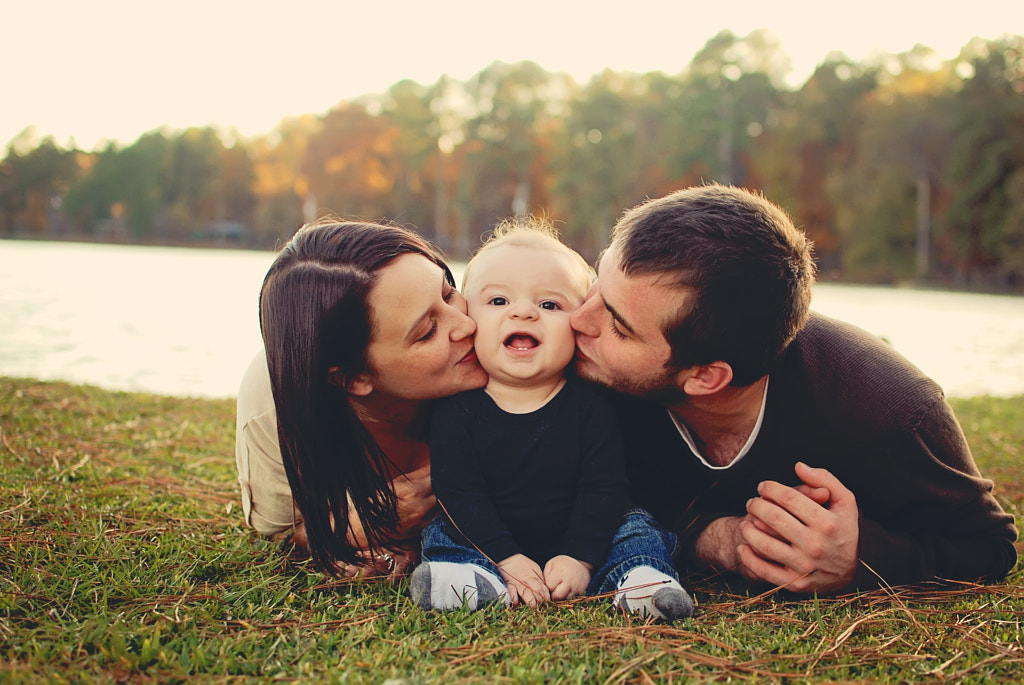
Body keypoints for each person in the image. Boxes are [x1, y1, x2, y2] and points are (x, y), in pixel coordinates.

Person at [570, 183, 1019, 595]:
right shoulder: (574, 366)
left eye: (617, 325)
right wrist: (711, 538)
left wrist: (862, 559)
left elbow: (990, 548)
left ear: (706, 377)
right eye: (597, 281)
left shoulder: (893, 412)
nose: (577, 319)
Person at [409, 218, 694, 621]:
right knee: (442, 531)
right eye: (498, 302)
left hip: (581, 530)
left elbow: (603, 487)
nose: (523, 313)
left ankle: (640, 583)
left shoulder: (592, 406)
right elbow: (460, 493)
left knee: (636, 527)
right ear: (468, 318)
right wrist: (507, 558)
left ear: (579, 324)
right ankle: (474, 581)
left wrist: (580, 557)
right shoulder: (457, 408)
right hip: (489, 533)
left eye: (549, 305)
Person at [234, 219, 488, 578]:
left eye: (448, 293)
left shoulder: (503, 329)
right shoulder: (272, 407)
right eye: (427, 332)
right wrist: (351, 530)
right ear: (354, 378)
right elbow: (281, 525)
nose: (466, 325)